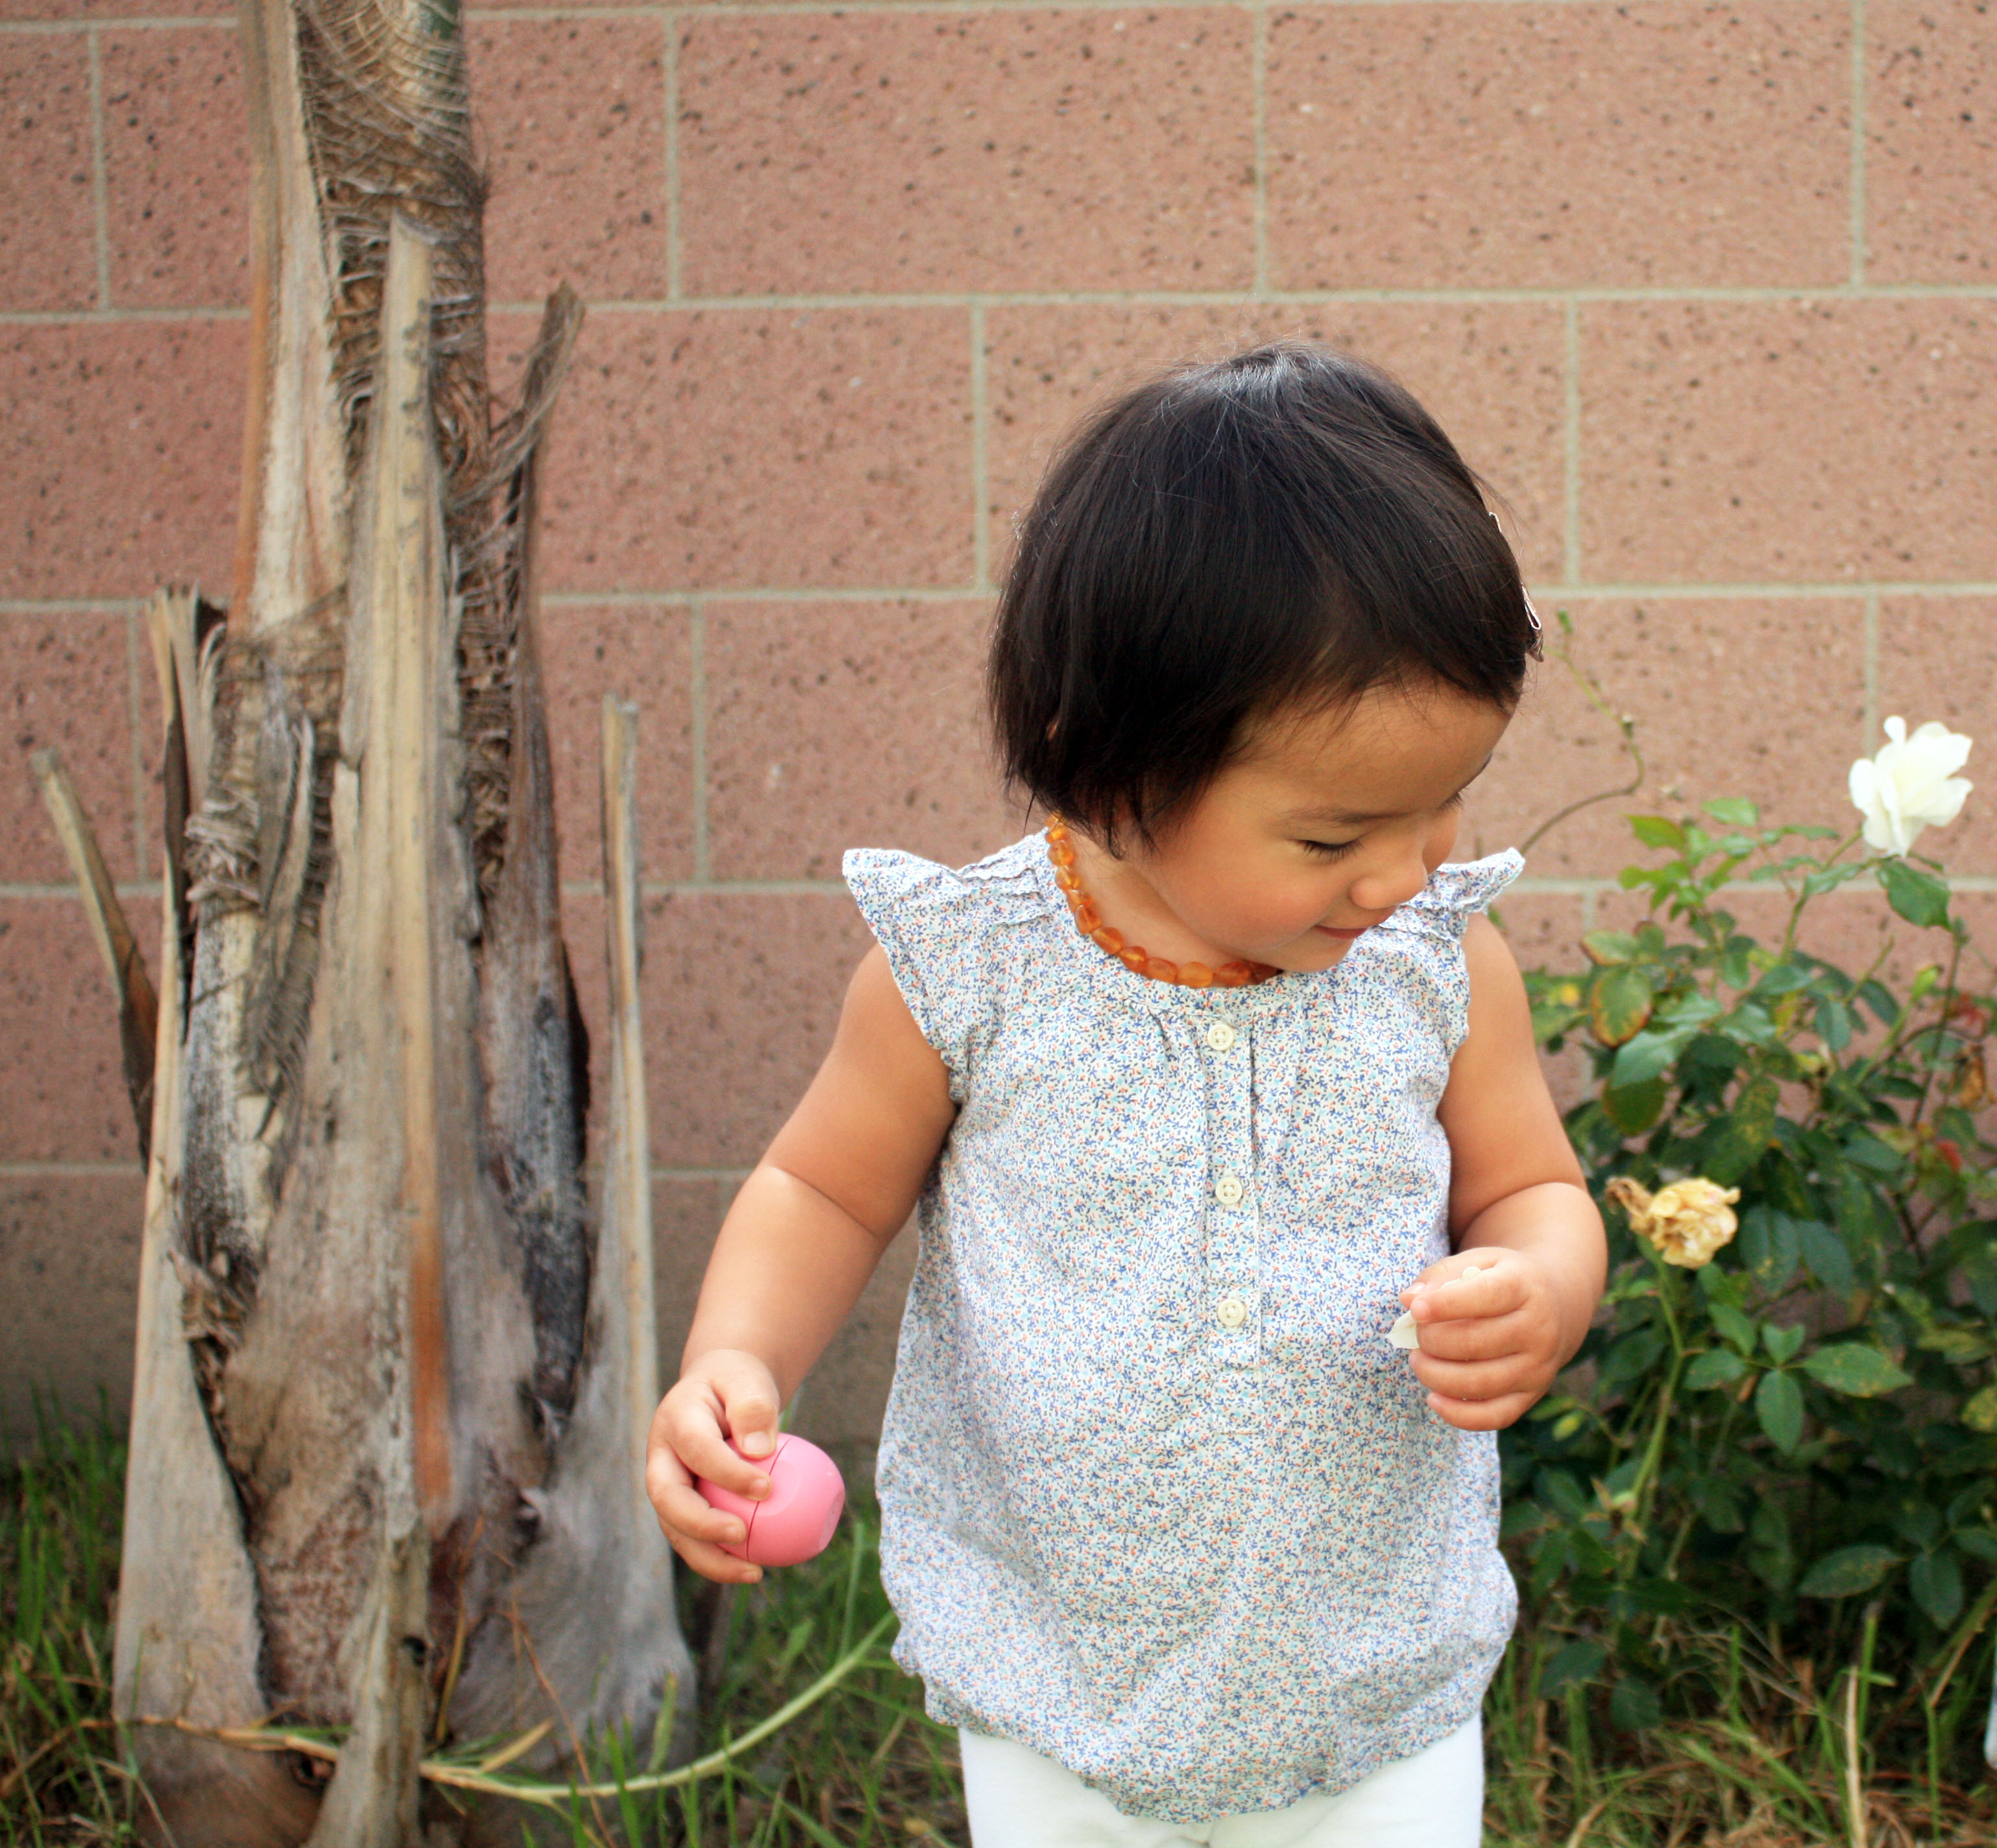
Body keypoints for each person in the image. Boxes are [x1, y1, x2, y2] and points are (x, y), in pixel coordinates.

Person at [644, 339, 1608, 1845]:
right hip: (1064, 1675)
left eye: (1444, 804)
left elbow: (1532, 1185)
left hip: (1371, 1682)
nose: (1402, 870)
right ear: (1103, 773)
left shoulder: (1436, 962)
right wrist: (736, 1358)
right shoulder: (968, 971)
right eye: (1334, 835)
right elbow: (822, 1187)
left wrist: (1543, 1284)